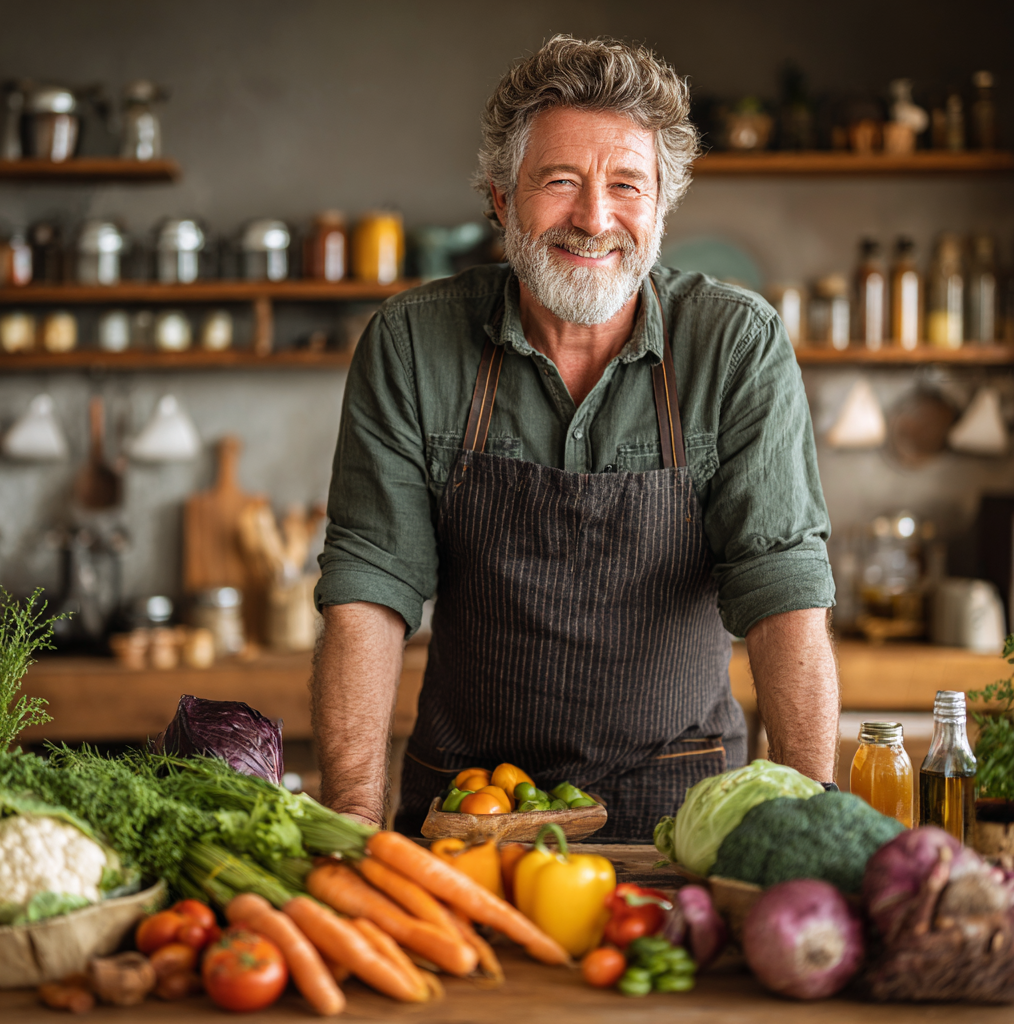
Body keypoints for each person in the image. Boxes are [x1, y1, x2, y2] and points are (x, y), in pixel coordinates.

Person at [311, 35, 839, 841]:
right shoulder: (413, 343)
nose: (595, 219)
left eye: (627, 185)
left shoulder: (733, 344)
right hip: (468, 817)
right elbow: (369, 591)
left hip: (683, 812)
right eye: (560, 181)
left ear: (661, 203)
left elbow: (784, 592)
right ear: (499, 197)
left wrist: (807, 829)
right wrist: (351, 817)